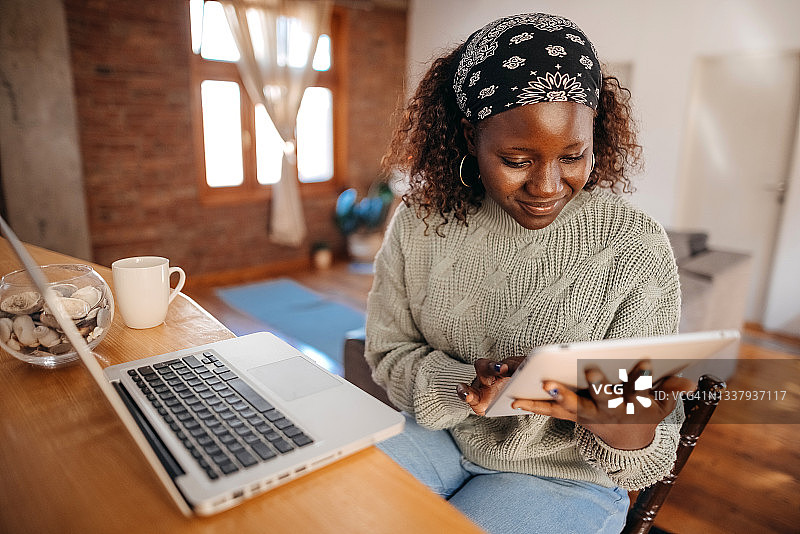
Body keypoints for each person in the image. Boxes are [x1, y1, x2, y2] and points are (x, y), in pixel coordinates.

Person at [365, 12, 691, 534]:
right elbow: (388, 350)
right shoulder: (421, 218)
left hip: (564, 478)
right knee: (327, 504)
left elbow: (646, 450)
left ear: (595, 137)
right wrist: (465, 384)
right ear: (471, 136)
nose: (547, 186)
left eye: (572, 156)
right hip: (441, 437)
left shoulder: (632, 246)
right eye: (516, 160)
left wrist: (574, 397)